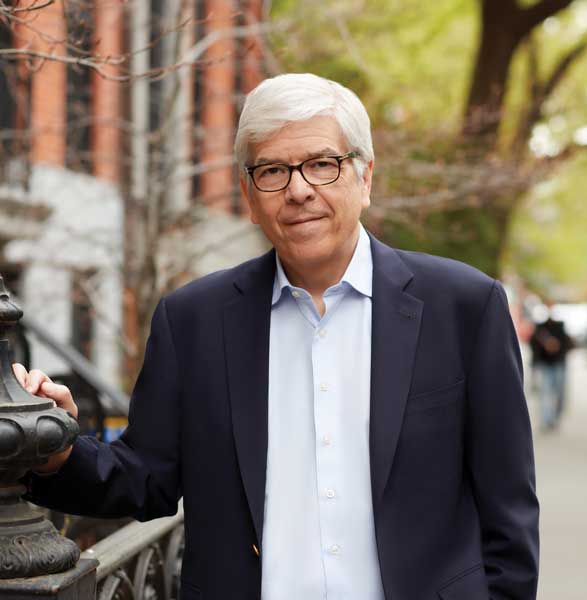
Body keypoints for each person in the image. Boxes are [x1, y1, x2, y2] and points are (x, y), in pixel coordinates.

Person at [13, 73, 539, 600]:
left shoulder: (464, 307)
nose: (298, 189)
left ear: (365, 176)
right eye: (273, 170)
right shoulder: (193, 320)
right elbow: (145, 478)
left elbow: (509, 514)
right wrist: (56, 446)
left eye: (321, 164)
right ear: (248, 193)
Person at [530, 305, 574, 430]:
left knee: (558, 392)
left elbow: (568, 344)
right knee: (545, 392)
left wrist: (557, 346)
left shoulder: (561, 328)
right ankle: (546, 419)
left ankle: (554, 417)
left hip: (559, 364)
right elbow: (534, 347)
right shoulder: (539, 329)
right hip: (545, 365)